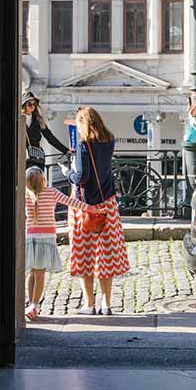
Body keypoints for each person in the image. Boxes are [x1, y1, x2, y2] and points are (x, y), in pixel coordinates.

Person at [62, 107, 130, 315]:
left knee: (85, 256)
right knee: (105, 256)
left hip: (85, 208)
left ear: (83, 123)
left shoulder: (84, 145)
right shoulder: (109, 140)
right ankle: (107, 304)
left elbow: (81, 177)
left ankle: (89, 305)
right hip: (108, 205)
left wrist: (68, 173)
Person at [24, 166, 104, 321]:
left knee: (32, 272)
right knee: (40, 273)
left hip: (30, 237)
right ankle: (34, 305)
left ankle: (30, 302)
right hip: (46, 238)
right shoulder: (51, 192)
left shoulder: (25, 195)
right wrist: (92, 209)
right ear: (44, 180)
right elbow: (72, 202)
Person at [23, 91, 69, 171]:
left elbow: (50, 137)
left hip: (36, 157)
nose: (32, 106)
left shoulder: (38, 120)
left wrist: (65, 150)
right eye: (29, 104)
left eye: (34, 104)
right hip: (22, 158)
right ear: (23, 106)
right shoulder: (19, 119)